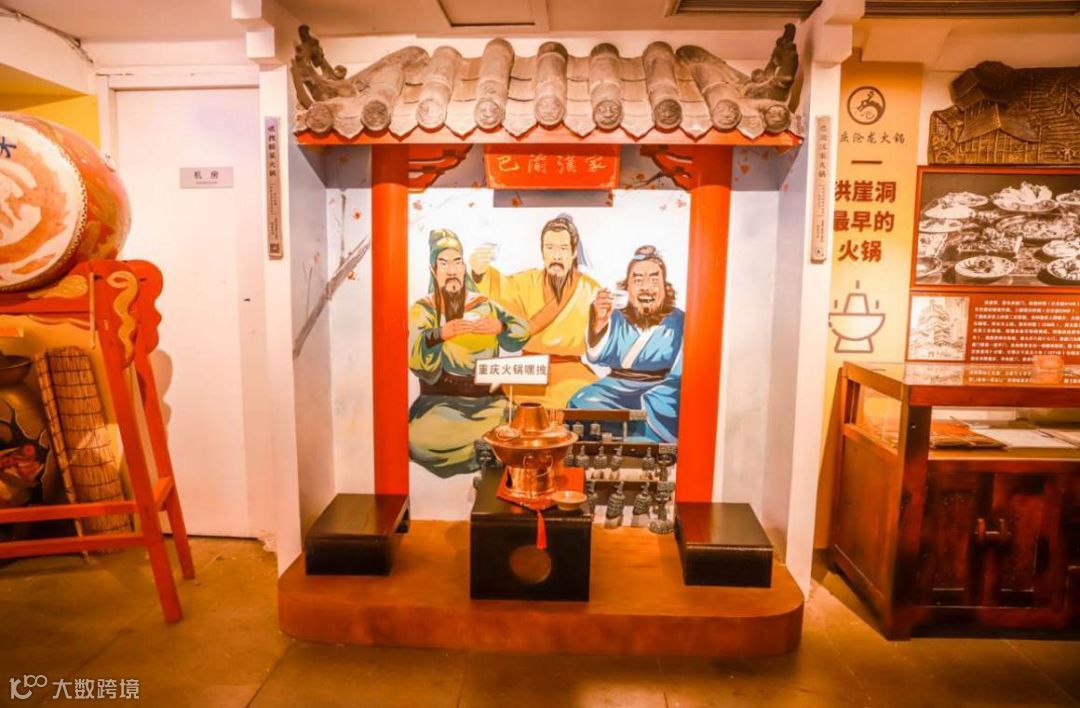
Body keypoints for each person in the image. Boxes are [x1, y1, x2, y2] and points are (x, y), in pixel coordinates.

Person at [408, 229, 529, 477]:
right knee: (417, 441)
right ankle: (489, 450)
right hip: (441, 405)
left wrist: (500, 326)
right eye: (444, 264)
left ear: (464, 267)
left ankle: (490, 447)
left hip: (489, 402)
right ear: (433, 270)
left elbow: (522, 330)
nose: (452, 270)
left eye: (457, 262)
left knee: (519, 428)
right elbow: (413, 351)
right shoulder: (424, 309)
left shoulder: (483, 304)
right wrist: (440, 334)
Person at [469, 214, 601, 408]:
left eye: (563, 248)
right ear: (542, 251)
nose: (556, 256)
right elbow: (500, 289)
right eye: (549, 248)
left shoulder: (590, 290)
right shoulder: (526, 282)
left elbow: (601, 338)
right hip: (529, 373)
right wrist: (480, 273)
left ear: (574, 252)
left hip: (572, 375)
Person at [568, 245, 683, 442]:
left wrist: (656, 398)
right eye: (638, 280)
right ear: (627, 287)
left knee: (646, 420)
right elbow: (596, 357)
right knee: (579, 402)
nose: (646, 287)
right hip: (615, 388)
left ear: (665, 287)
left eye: (654, 279)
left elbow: (681, 372)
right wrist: (600, 323)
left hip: (658, 391)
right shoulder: (616, 316)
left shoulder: (679, 321)